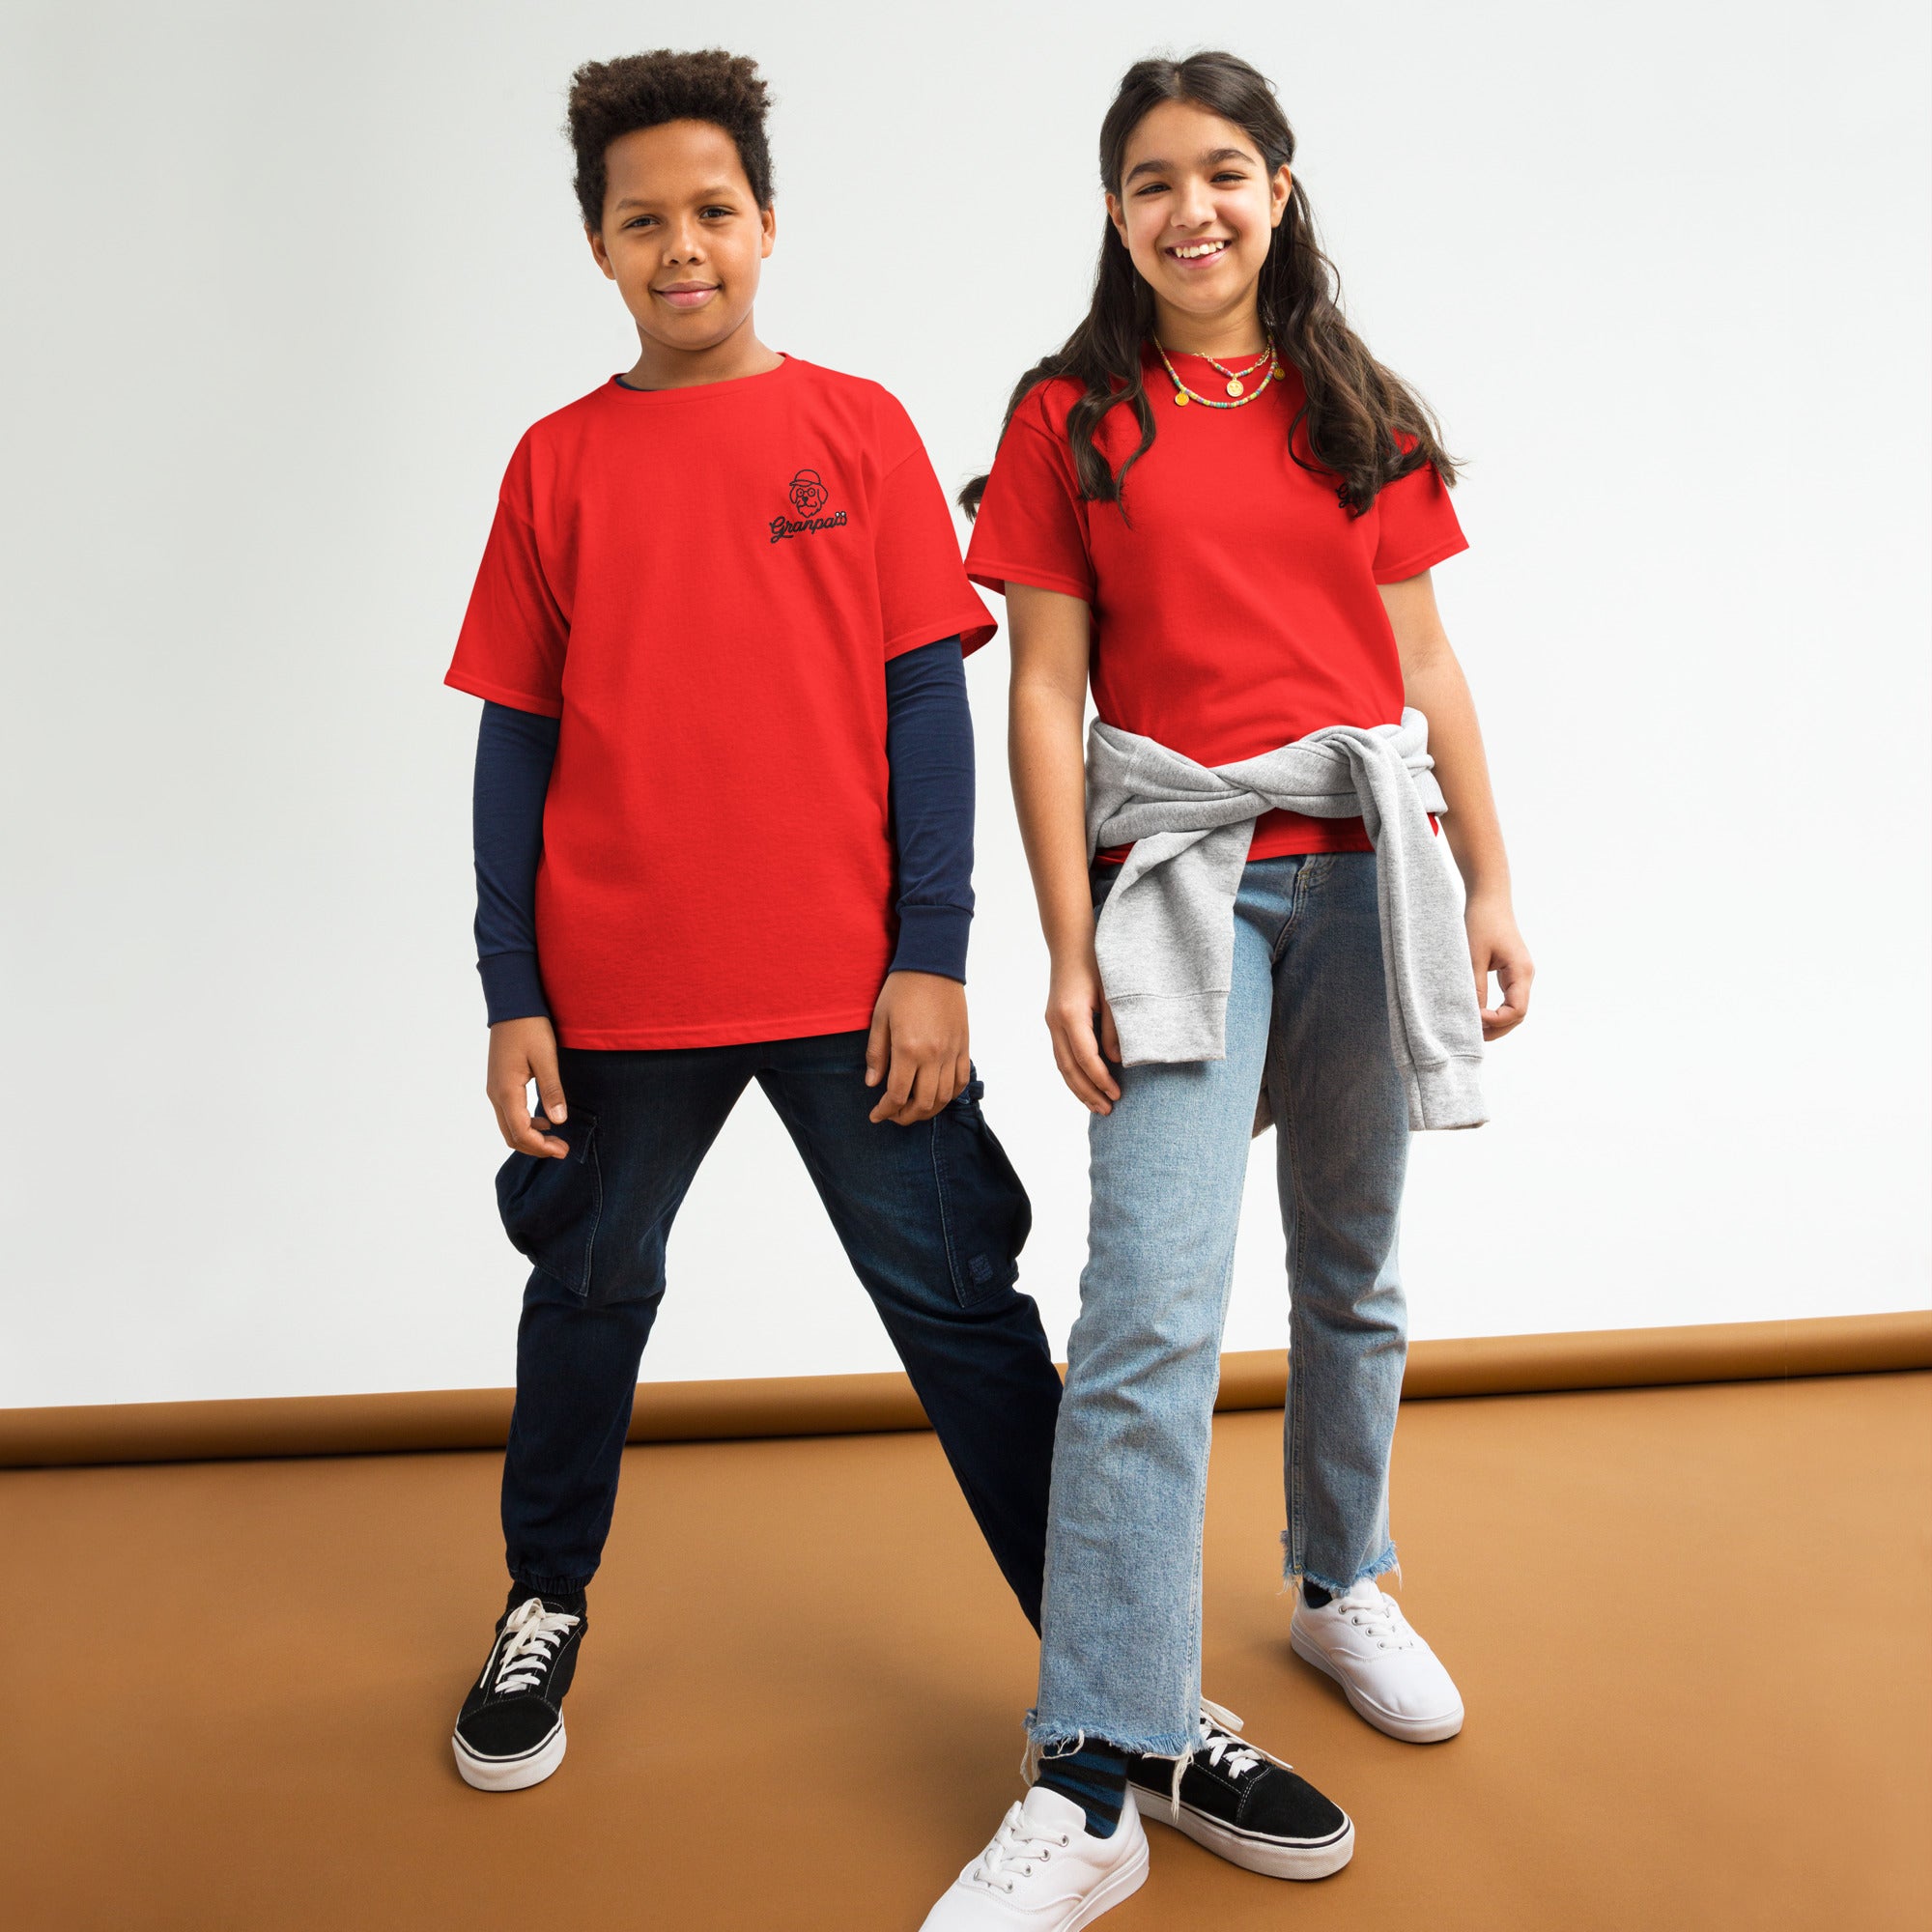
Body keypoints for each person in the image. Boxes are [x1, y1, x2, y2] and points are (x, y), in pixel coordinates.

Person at [922, 49, 1534, 1927]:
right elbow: (1043, 694)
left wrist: (1492, 878)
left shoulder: (1358, 409)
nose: (1189, 209)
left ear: (1278, 187)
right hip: (1184, 881)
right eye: (1149, 182)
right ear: (1114, 215)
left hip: (1369, 875)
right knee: (1147, 1314)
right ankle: (1094, 1769)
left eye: (1222, 172)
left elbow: (1425, 666)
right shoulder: (1070, 418)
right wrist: (1062, 942)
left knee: (1352, 1263)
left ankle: (1342, 1579)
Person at [439, 47, 1065, 1795]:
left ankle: (1117, 1663)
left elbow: (926, 704)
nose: (683, 247)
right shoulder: (556, 462)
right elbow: (516, 739)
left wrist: (932, 951)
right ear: (599, 247)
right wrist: (511, 988)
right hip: (618, 989)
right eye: (643, 221)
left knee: (966, 1310)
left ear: (769, 224)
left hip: (852, 987)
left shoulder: (856, 428)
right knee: (587, 1290)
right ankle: (543, 1598)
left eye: (712, 210)